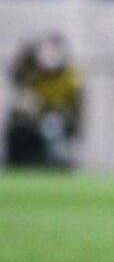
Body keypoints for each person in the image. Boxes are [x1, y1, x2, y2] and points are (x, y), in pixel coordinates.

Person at [4, 34, 82, 167]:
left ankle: (55, 160)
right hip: (35, 117)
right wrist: (26, 56)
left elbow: (75, 106)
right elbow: (17, 79)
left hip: (56, 118)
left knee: (52, 125)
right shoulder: (34, 71)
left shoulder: (70, 75)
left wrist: (73, 123)